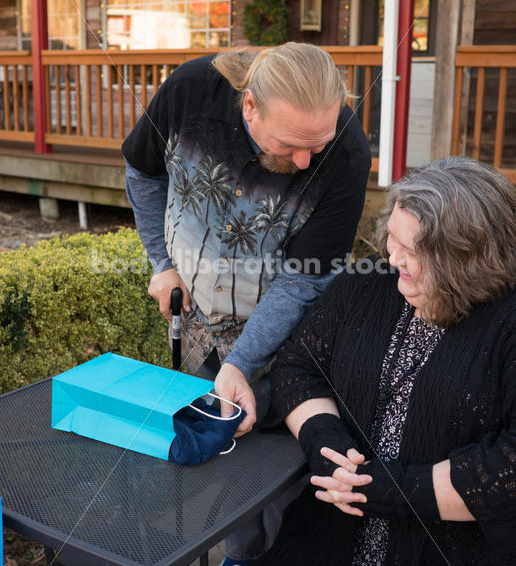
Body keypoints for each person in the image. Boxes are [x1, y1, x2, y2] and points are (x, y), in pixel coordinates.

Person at [122, 42, 371, 564]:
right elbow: (144, 173)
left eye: (316, 145)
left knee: (282, 474)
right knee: (229, 452)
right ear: (250, 105)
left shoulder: (345, 149)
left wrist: (241, 361)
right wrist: (160, 262)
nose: (304, 161)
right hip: (196, 318)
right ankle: (239, 554)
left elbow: (304, 281)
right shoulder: (188, 91)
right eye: (290, 143)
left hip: (287, 330)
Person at [255, 157, 516, 566]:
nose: (392, 258)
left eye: (410, 250)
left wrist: (377, 489)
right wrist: (328, 443)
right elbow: (299, 366)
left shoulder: (507, 323)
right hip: (326, 540)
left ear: (465, 260)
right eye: (392, 237)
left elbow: (508, 469)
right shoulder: (368, 281)